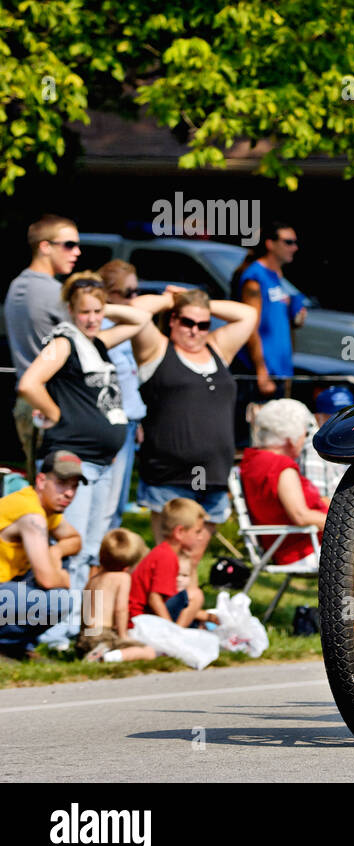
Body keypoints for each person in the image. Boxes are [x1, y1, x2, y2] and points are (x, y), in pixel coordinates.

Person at [17, 272, 152, 648]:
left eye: (97, 311)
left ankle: (82, 629)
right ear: (70, 311)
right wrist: (57, 415)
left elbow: (140, 320)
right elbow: (29, 383)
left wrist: (102, 306)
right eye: (85, 312)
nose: (92, 318)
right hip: (74, 460)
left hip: (103, 460)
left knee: (92, 550)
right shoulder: (64, 342)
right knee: (73, 546)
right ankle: (54, 632)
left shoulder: (97, 341)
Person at [130, 288, 259, 543]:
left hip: (214, 475)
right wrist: (172, 300)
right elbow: (136, 310)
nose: (195, 330)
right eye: (188, 322)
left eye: (203, 324)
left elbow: (248, 315)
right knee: (169, 559)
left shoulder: (218, 349)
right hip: (169, 476)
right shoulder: (157, 349)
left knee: (192, 561)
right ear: (173, 320)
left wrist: (203, 303)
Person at [4, 214, 84, 478]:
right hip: (49, 398)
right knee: (58, 489)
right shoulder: (51, 292)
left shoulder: (18, 284)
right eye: (69, 245)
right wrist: (58, 414)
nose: (77, 252)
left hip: (31, 401)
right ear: (45, 246)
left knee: (43, 486)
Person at [0, 451, 84, 657]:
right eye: (62, 483)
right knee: (60, 600)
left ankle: (14, 646)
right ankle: (11, 646)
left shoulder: (43, 508)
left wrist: (55, 552)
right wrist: (63, 579)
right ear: (41, 480)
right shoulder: (31, 514)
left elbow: (75, 540)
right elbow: (47, 580)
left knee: (58, 559)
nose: (69, 493)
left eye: (74, 486)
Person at [241, 399, 328, 568]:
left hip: (292, 545)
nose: (304, 440)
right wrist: (345, 521)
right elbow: (300, 516)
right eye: (304, 435)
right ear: (291, 439)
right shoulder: (281, 467)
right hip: (303, 549)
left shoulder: (254, 460)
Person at [96, 261, 149, 528]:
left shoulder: (123, 326)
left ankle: (106, 563)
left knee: (115, 505)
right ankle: (94, 563)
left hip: (129, 423)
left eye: (137, 291)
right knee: (106, 505)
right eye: (128, 292)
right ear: (108, 294)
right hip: (112, 424)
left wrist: (137, 417)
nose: (135, 298)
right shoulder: (103, 328)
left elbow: (129, 381)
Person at [231, 222, 307, 398]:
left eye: (295, 242)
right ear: (270, 244)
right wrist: (261, 371)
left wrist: (296, 318)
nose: (294, 247)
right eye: (288, 242)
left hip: (280, 369)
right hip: (263, 372)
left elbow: (275, 321)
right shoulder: (255, 276)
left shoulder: (277, 276)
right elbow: (250, 326)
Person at [128, 497, 218, 628]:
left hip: (143, 617)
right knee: (195, 595)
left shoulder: (164, 552)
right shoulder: (167, 556)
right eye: (197, 531)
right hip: (140, 620)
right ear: (179, 532)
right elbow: (155, 598)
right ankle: (176, 634)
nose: (200, 537)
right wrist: (170, 628)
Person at [77, 528, 156, 663]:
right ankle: (105, 657)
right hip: (103, 634)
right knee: (149, 652)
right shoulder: (122, 578)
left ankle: (97, 651)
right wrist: (123, 635)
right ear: (127, 567)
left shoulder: (93, 579)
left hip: (85, 636)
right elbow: (121, 609)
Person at [300, 386, 354, 499]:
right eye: (336, 417)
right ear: (318, 417)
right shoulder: (314, 448)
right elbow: (318, 498)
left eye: (349, 416)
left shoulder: (353, 442)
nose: (344, 422)